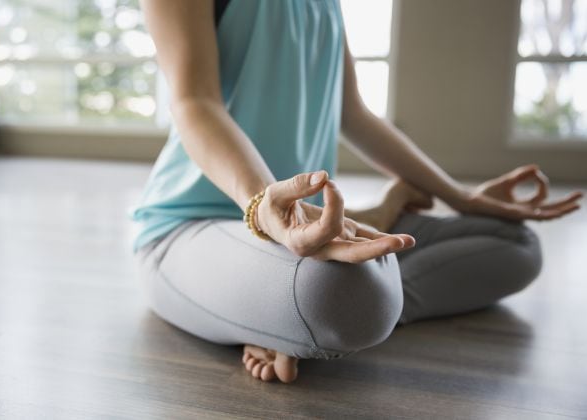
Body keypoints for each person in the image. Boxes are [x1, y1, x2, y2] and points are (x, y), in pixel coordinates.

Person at [130, 0, 583, 384]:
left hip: (302, 231)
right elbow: (195, 101)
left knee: (516, 244)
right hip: (189, 229)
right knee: (343, 298)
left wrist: (460, 197)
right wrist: (264, 204)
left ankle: (298, 315)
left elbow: (354, 114)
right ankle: (314, 303)